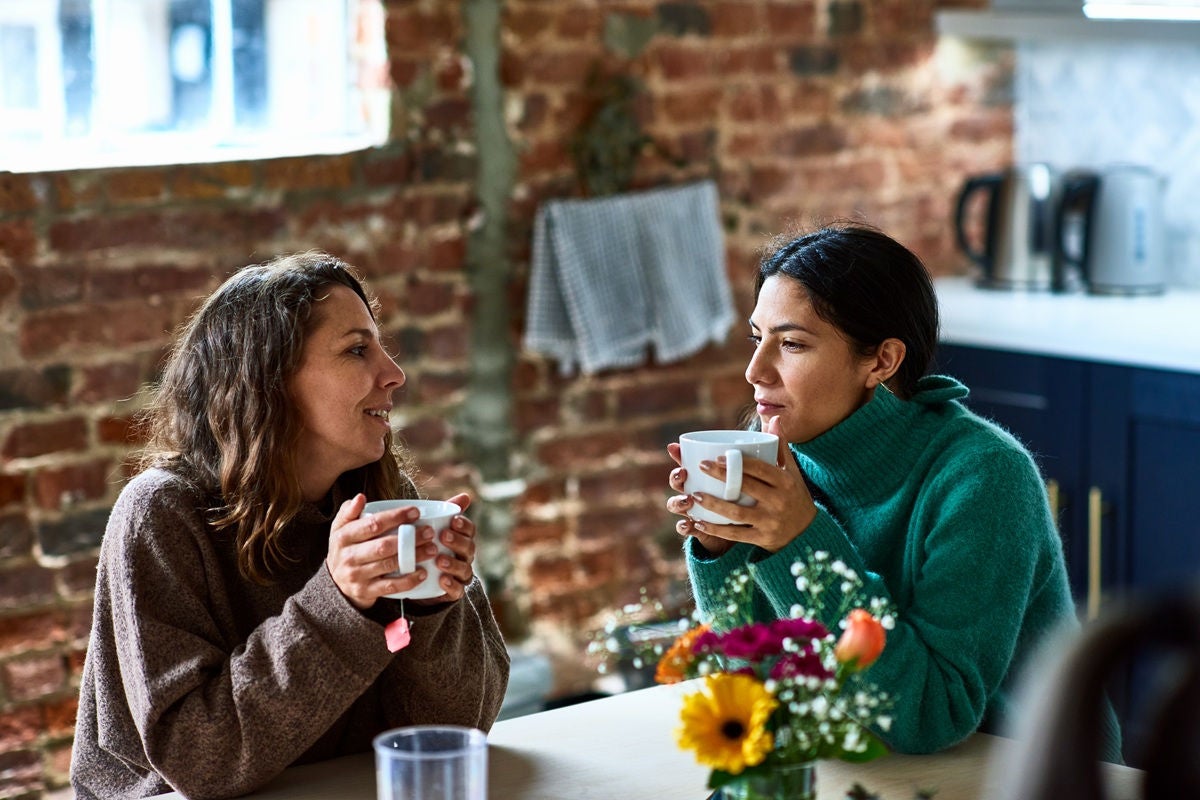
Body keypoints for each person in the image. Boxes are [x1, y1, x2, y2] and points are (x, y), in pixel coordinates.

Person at [666, 223, 1122, 762]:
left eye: (790, 343)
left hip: (1031, 775)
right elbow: (757, 686)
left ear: (881, 361)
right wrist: (720, 552)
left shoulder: (986, 477)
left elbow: (932, 715)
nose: (755, 370)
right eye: (756, 337)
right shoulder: (781, 460)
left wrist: (800, 537)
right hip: (876, 770)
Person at [71, 253, 510, 799]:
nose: (395, 374)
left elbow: (460, 732)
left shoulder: (381, 502)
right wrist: (340, 604)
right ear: (268, 380)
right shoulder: (161, 516)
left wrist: (429, 607)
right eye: (356, 350)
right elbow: (199, 761)